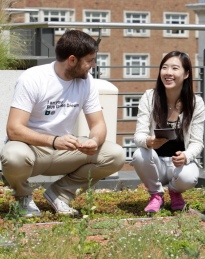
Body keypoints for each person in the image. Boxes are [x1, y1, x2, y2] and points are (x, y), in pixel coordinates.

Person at [0, 29, 125, 217]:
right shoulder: (33, 78)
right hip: (32, 150)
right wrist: (53, 141)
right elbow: (14, 129)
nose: (93, 64)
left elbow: (98, 124)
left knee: (115, 155)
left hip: (65, 151)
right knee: (13, 156)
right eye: (89, 60)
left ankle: (60, 194)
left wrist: (94, 141)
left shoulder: (87, 82)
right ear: (72, 60)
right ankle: (23, 197)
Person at [131, 51, 205, 213]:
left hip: (179, 165)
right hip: (155, 164)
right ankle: (156, 194)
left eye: (174, 68)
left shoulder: (195, 103)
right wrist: (148, 141)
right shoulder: (149, 97)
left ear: (186, 74)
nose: (168, 73)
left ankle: (174, 191)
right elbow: (139, 136)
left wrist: (186, 156)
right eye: (164, 67)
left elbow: (197, 142)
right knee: (138, 154)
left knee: (189, 177)